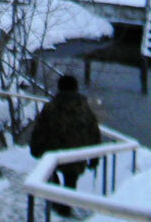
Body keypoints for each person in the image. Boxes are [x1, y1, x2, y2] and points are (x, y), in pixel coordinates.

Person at [30, 74, 102, 217]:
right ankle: (66, 206)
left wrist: (36, 148)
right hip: (76, 154)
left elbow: (40, 130)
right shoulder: (84, 107)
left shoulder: (51, 107)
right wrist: (94, 157)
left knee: (51, 174)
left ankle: (57, 202)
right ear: (75, 88)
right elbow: (93, 131)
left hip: (54, 151)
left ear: (59, 87)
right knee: (71, 179)